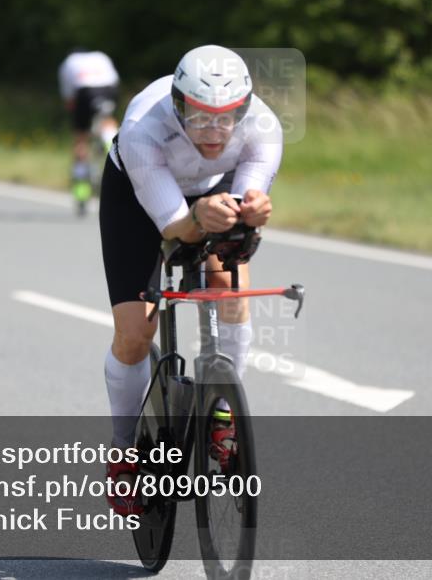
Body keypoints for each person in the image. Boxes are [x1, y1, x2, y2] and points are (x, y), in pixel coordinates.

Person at [98, 45, 282, 514]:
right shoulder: (144, 128)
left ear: (244, 109)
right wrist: (198, 215)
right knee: (136, 332)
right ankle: (122, 452)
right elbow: (175, 229)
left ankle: (223, 409)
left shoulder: (263, 128)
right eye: (198, 116)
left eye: (226, 117)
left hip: (211, 189)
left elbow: (243, 210)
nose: (214, 130)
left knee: (230, 291)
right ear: (178, 104)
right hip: (140, 198)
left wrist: (252, 211)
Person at [58, 49, 120, 212]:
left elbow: (69, 98)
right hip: (108, 89)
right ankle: (114, 149)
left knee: (81, 140)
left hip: (85, 91)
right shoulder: (101, 56)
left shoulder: (69, 62)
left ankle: (81, 191)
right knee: (107, 120)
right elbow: (115, 81)